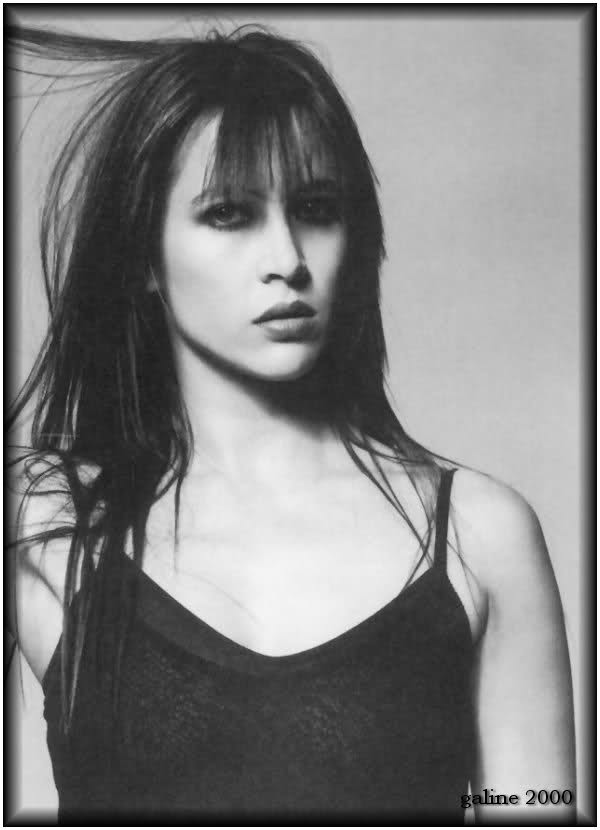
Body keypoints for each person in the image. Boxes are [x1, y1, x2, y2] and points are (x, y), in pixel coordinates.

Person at [7, 22, 576, 824]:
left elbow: (535, 810)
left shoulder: (480, 535)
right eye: (228, 214)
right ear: (141, 256)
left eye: (315, 209)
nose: (288, 258)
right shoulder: (44, 530)